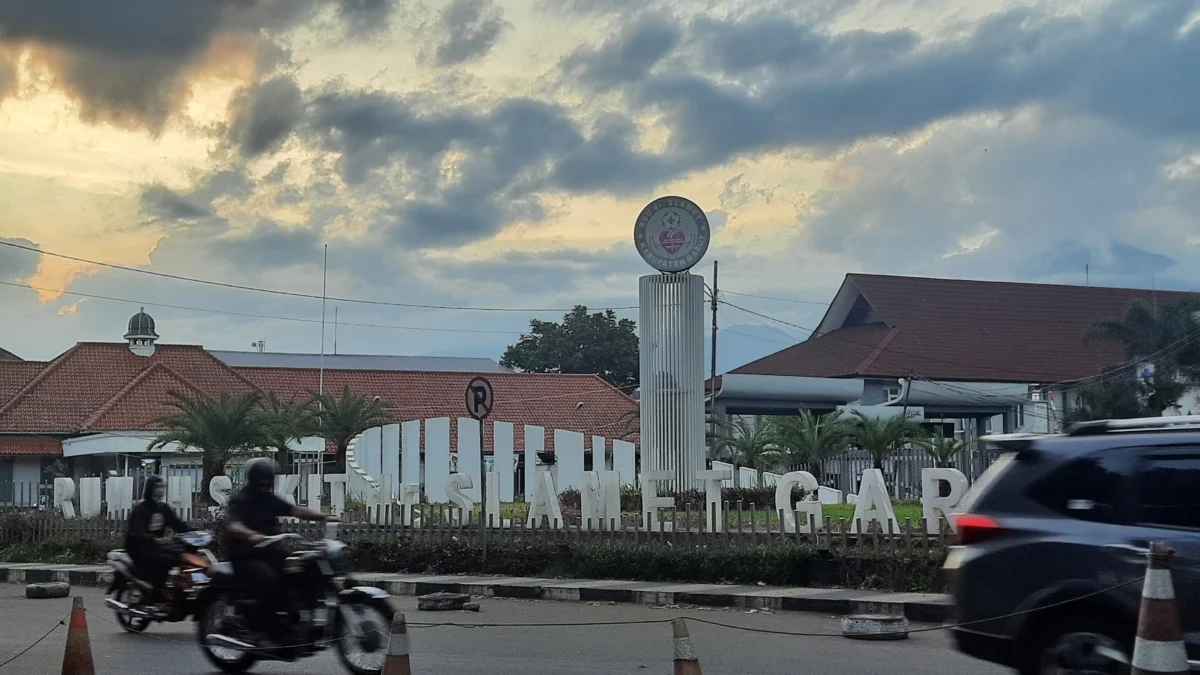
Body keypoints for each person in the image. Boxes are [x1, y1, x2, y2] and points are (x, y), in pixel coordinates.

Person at [224, 457, 333, 648]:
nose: (267, 485)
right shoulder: (240, 500)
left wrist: (323, 516)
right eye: (264, 481)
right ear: (254, 480)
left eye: (270, 481)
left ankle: (297, 616)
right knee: (269, 580)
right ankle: (264, 631)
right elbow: (234, 525)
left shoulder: (269, 499)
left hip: (270, 552)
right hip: (245, 556)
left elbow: (295, 510)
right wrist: (251, 535)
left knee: (303, 567)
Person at [124, 475, 187, 605]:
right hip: (139, 548)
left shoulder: (164, 508)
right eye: (158, 487)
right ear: (150, 488)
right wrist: (155, 540)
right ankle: (156, 593)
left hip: (156, 547)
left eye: (163, 486)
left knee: (181, 556)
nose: (161, 490)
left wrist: (197, 533)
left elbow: (177, 525)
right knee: (165, 560)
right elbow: (138, 531)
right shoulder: (141, 509)